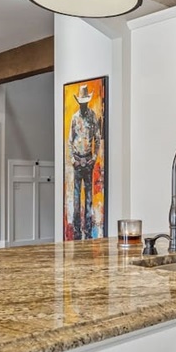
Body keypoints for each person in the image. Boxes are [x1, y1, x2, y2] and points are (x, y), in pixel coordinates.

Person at [68, 84, 101, 239]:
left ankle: (87, 233)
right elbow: (70, 141)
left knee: (88, 199)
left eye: (84, 101)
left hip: (88, 160)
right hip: (77, 160)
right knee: (76, 199)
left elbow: (98, 139)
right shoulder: (74, 118)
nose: (83, 104)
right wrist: (72, 159)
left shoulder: (92, 117)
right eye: (81, 101)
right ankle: (76, 232)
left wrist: (93, 158)